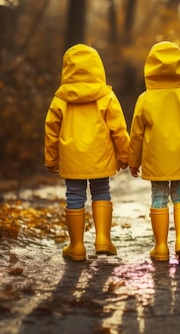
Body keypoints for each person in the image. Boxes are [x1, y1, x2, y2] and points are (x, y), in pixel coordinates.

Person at [128, 41, 180, 262]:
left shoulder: (145, 99)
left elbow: (136, 133)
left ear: (150, 68)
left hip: (156, 160)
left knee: (158, 198)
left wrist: (133, 161)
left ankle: (161, 248)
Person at [45, 44, 130, 261]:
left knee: (74, 195)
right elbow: (118, 128)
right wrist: (125, 155)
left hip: (72, 158)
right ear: (97, 68)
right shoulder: (106, 96)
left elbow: (51, 130)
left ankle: (77, 246)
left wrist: (51, 158)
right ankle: (103, 240)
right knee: (101, 191)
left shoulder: (60, 99)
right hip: (100, 156)